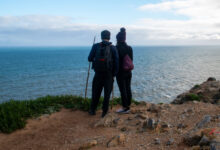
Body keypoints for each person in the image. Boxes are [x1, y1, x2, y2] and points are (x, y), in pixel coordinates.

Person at [88, 30, 119, 117]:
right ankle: (104, 112)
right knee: (107, 94)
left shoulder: (95, 46)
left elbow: (89, 58)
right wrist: (114, 74)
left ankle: (92, 110)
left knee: (96, 92)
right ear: (109, 37)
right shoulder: (113, 48)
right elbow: (117, 63)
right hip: (108, 74)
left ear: (101, 37)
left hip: (98, 73)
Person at [115, 28, 133, 113]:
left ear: (118, 39)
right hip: (129, 72)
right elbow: (131, 60)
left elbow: (115, 62)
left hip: (120, 73)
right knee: (128, 88)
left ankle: (125, 108)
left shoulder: (116, 48)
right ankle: (128, 105)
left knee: (123, 90)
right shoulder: (129, 48)